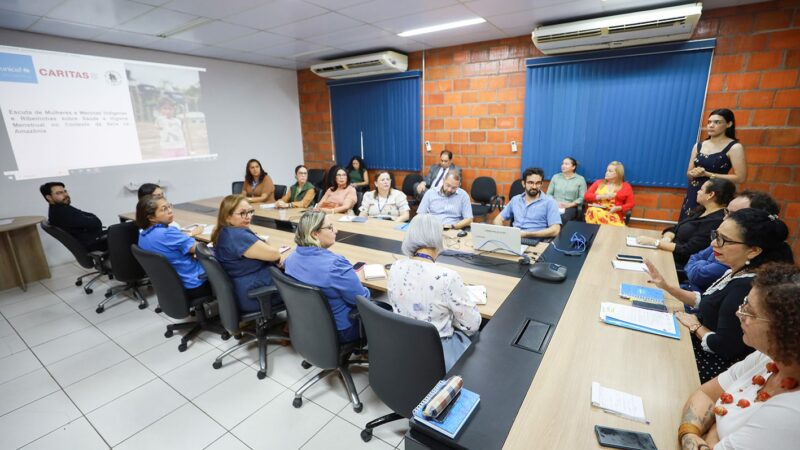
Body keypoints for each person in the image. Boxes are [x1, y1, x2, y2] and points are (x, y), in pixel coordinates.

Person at [645, 209, 794, 382]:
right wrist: (666, 286)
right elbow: (710, 302)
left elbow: (723, 346)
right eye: (716, 235)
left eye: (724, 240)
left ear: (753, 251)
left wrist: (695, 326)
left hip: (713, 365)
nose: (714, 243)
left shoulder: (747, 286)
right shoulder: (739, 269)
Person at [677, 263, 800, 450]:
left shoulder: (791, 414)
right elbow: (706, 394)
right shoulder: (766, 358)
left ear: (785, 330)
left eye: (749, 311)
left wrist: (713, 428)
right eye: (744, 303)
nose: (738, 313)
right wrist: (690, 432)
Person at [387, 214, 481, 370]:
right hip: (439, 351)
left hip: (402, 344)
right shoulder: (448, 277)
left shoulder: (395, 267)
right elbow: (472, 325)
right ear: (438, 237)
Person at [284, 211, 370, 343]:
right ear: (314, 234)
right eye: (330, 227)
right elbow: (361, 300)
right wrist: (361, 285)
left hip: (307, 323)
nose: (336, 230)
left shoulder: (290, 259)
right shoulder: (335, 265)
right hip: (341, 329)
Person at [684, 191, 781, 292]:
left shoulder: (738, 253)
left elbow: (698, 276)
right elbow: (695, 256)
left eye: (735, 215)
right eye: (726, 211)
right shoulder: (725, 238)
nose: (725, 218)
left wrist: (700, 263)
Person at [637, 178, 735, 267]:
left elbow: (688, 250)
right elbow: (674, 228)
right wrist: (667, 238)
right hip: (667, 252)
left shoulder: (716, 221)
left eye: (701, 189)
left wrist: (655, 242)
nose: (697, 192)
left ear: (711, 195)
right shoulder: (701, 210)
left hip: (678, 264)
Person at [210, 195, 282, 313]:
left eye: (250, 211)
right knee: (299, 280)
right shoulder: (237, 237)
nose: (248, 217)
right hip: (255, 294)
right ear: (228, 217)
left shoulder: (225, 231)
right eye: (242, 213)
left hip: (243, 290)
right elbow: (275, 255)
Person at [136, 195, 210, 299]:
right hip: (195, 283)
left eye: (169, 206)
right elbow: (201, 249)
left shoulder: (142, 236)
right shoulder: (168, 233)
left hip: (172, 287)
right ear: (151, 217)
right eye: (164, 209)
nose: (170, 211)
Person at [680, 108, 746, 221]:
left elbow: (740, 178)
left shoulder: (734, 147)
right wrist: (694, 173)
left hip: (716, 196)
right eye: (709, 122)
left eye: (717, 122)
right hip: (695, 193)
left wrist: (708, 174)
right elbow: (689, 173)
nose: (711, 125)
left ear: (729, 124)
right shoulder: (699, 145)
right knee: (686, 225)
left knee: (707, 227)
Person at [494, 167, 561, 238]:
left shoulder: (549, 202)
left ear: (541, 184)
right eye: (530, 183)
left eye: (538, 183)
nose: (534, 187)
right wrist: (503, 233)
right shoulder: (515, 200)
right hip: (514, 238)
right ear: (523, 183)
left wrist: (527, 234)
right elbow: (497, 219)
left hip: (536, 241)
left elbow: (555, 230)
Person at [40, 181, 107, 251]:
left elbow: (88, 216)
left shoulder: (58, 209)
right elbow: (96, 223)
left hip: (91, 240)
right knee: (118, 230)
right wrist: (94, 219)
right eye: (59, 193)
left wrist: (92, 219)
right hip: (95, 243)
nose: (65, 195)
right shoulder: (63, 212)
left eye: (65, 191)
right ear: (49, 197)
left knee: (117, 229)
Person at [583, 161, 634, 226]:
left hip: (613, 214)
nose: (606, 173)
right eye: (607, 170)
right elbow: (586, 196)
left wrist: (619, 208)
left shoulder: (626, 186)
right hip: (596, 211)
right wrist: (603, 196)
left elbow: (631, 204)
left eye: (610, 171)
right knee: (593, 210)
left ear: (618, 174)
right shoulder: (599, 182)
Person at [546, 157, 587, 223]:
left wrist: (569, 205)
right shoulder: (556, 177)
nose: (563, 166)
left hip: (570, 207)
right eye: (562, 163)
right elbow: (549, 194)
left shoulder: (580, 179)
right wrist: (555, 203)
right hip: (554, 205)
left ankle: (555, 233)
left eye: (566, 164)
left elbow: (582, 197)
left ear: (573, 167)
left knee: (561, 218)